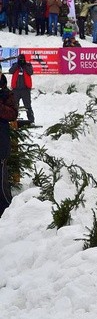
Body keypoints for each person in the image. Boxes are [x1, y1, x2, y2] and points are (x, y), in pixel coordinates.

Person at [0, 72, 18, 218]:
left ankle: (5, 211)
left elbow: (12, 114)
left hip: (1, 141)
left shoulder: (7, 94)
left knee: (1, 178)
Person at [8, 55, 34, 124]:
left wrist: (24, 65)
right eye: (20, 59)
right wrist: (17, 64)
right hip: (16, 89)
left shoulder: (28, 65)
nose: (21, 61)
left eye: (22, 59)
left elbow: (30, 72)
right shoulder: (15, 65)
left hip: (25, 89)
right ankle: (13, 120)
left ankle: (31, 120)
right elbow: (11, 71)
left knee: (28, 105)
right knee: (14, 105)